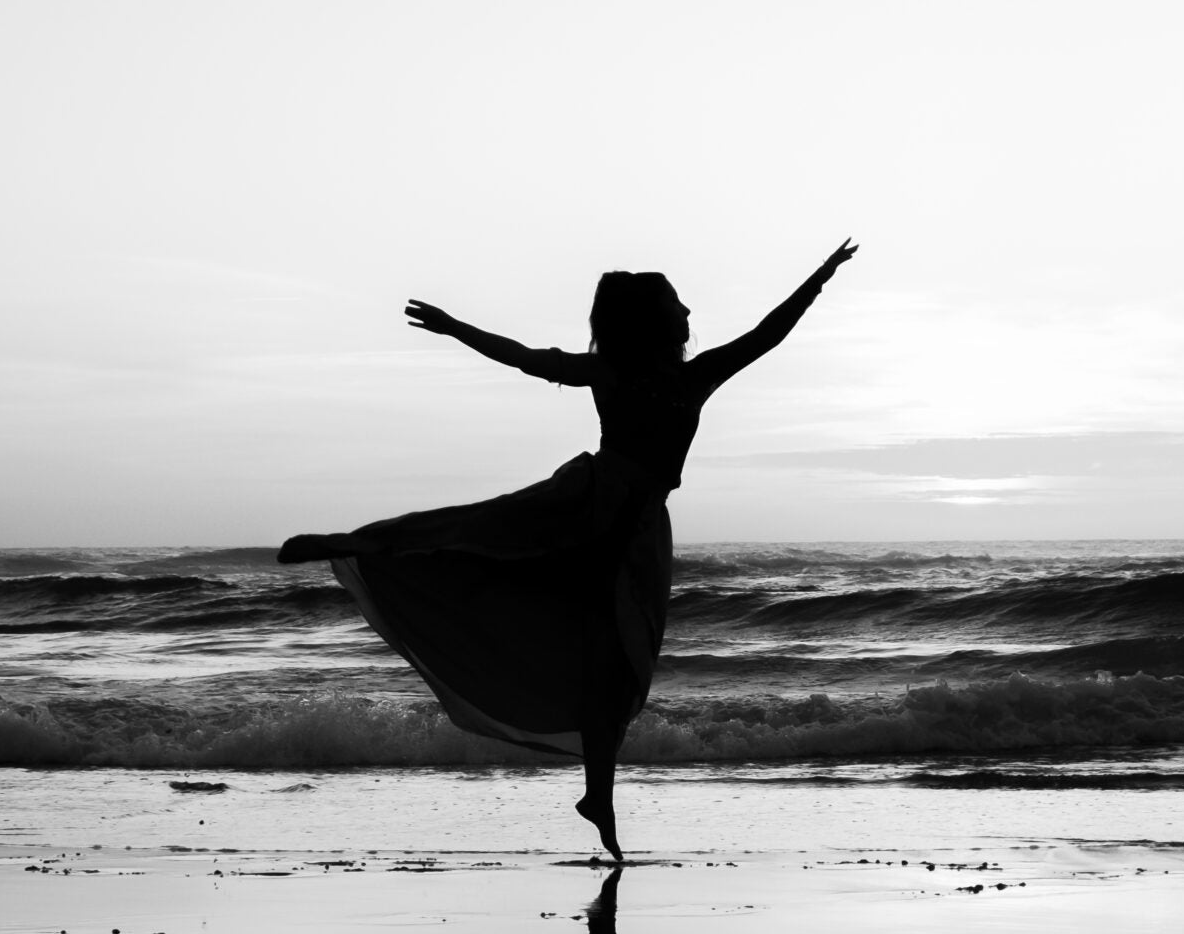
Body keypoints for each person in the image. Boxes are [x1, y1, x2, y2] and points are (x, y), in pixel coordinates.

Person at [278, 241, 857, 861]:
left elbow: (768, 333)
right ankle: (354, 544)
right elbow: (526, 359)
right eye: (677, 305)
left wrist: (818, 277)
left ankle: (598, 798)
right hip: (595, 505)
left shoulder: (688, 373)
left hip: (633, 532)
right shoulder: (630, 373)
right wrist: (453, 328)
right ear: (654, 322)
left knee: (614, 666)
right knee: (477, 533)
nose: (689, 312)